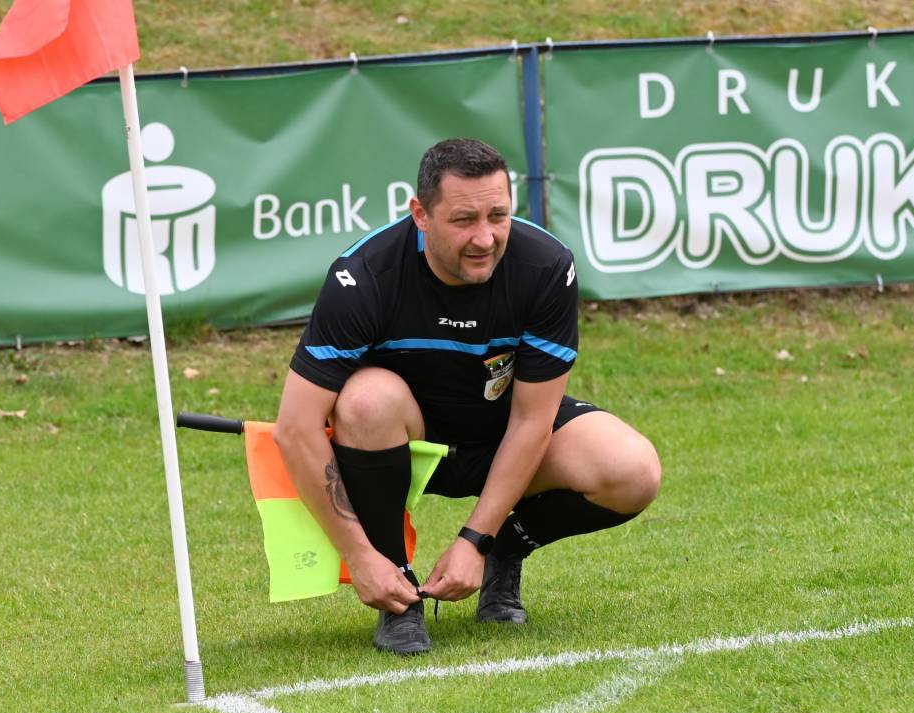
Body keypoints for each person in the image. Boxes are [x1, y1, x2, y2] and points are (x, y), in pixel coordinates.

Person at [274, 138, 661, 655]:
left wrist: (476, 541)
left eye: (498, 215)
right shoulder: (362, 276)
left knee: (634, 471)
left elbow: (531, 421)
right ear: (421, 215)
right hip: (404, 445)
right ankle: (397, 591)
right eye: (463, 220)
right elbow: (296, 428)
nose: (485, 238)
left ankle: (505, 550)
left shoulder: (546, 265)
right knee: (366, 399)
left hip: (502, 434)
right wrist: (360, 557)